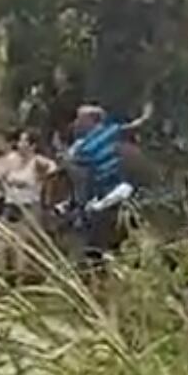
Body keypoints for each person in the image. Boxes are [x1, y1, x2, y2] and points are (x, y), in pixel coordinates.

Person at [64, 101, 151, 261]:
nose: (77, 123)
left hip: (113, 188)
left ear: (92, 120)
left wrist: (147, 113)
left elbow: (133, 126)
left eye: (80, 119)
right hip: (97, 189)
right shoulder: (81, 143)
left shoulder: (108, 131)